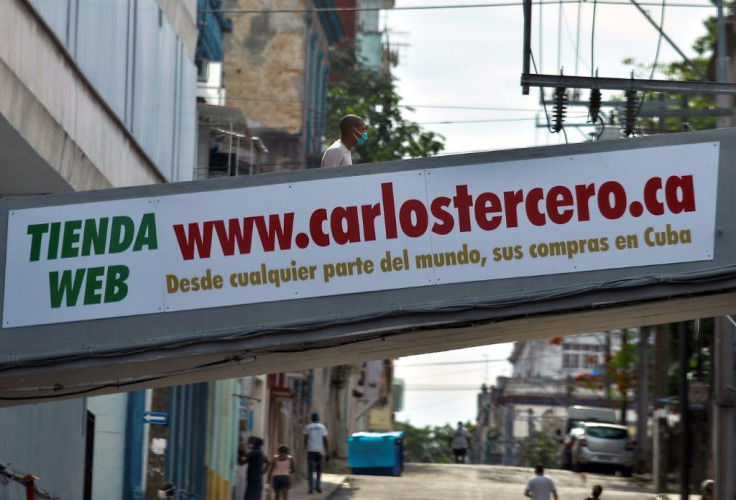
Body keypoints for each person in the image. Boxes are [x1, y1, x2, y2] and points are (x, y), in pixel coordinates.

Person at [303, 412, 329, 494]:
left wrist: (305, 449)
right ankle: (318, 486)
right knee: (319, 470)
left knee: (310, 471)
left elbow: (305, 439)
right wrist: (327, 451)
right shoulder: (322, 427)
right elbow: (325, 440)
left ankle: (311, 488)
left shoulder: (308, 427)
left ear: (311, 419)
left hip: (310, 451)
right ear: (318, 419)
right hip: (319, 451)